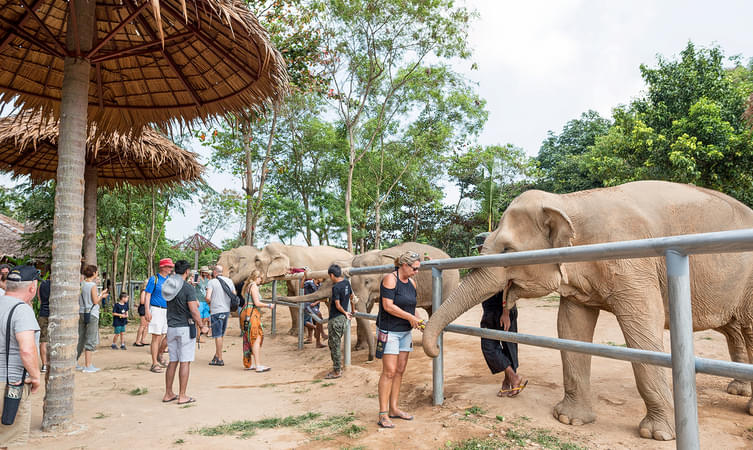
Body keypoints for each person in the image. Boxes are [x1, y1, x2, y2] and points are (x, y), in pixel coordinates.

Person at [375, 251, 422, 429]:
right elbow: (388, 306)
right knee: (389, 371)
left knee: (400, 370)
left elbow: (412, 307)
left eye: (418, 268)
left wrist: (419, 320)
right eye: (415, 268)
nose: (417, 272)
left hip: (405, 332)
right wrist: (410, 318)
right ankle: (383, 413)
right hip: (390, 331)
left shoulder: (412, 283)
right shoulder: (390, 279)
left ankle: (394, 408)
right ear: (404, 265)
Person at [0, 265, 41, 446]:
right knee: (12, 440)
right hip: (10, 385)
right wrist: (35, 376)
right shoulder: (22, 310)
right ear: (32, 287)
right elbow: (26, 349)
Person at [162, 260, 209, 405]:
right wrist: (202, 326)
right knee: (185, 362)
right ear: (187, 271)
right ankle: (182, 396)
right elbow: (194, 311)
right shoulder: (188, 288)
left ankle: (168, 393)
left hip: (171, 327)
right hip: (185, 327)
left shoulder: (169, 285)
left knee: (173, 361)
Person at [240, 269, 275, 372]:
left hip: (246, 312)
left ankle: (249, 363)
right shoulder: (254, 286)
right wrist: (269, 305)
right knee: (256, 337)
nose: (261, 280)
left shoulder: (248, 286)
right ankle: (258, 365)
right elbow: (257, 302)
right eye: (260, 278)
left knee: (248, 337)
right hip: (252, 314)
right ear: (257, 277)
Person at [76, 265, 109, 373]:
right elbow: (95, 301)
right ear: (94, 273)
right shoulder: (92, 285)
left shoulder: (82, 284)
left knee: (81, 338)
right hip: (92, 314)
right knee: (90, 338)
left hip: (81, 312)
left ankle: (74, 362)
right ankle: (88, 365)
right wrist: (102, 295)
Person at [144, 258, 174, 373]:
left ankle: (159, 355)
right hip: (156, 309)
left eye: (171, 267)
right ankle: (154, 362)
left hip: (167, 310)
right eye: (169, 267)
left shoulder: (169, 280)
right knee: (156, 337)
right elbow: (148, 295)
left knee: (164, 335)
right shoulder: (154, 279)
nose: (170, 269)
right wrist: (147, 310)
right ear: (162, 267)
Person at [324, 264, 353, 380]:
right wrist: (353, 310)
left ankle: (337, 370)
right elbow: (352, 296)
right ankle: (337, 368)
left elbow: (337, 304)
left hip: (336, 318)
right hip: (343, 320)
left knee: (334, 345)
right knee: (334, 344)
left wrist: (345, 312)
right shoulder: (346, 283)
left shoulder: (336, 287)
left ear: (331, 275)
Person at [205, 264, 235, 366]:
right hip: (226, 310)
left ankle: (220, 358)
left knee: (217, 335)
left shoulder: (211, 282)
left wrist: (210, 303)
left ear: (214, 272)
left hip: (216, 311)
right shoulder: (229, 281)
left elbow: (208, 297)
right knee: (221, 335)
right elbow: (234, 294)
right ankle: (217, 355)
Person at [303, 278, 326, 348]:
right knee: (307, 321)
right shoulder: (308, 283)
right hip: (308, 304)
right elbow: (301, 287)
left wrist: (316, 302)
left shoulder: (320, 285)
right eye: (322, 278)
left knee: (315, 319)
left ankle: (318, 338)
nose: (323, 280)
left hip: (314, 305)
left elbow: (322, 297)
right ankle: (319, 332)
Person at [193, 266, 211, 343]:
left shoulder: (207, 280)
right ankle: (198, 337)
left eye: (207, 272)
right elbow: (192, 287)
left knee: (205, 318)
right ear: (202, 272)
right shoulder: (196, 277)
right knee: (198, 318)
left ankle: (199, 333)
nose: (206, 273)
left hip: (205, 301)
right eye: (205, 272)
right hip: (198, 300)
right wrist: (194, 298)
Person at [37, 278, 51, 373]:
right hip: (54, 314)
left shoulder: (41, 284)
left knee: (43, 340)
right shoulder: (57, 284)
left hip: (43, 314)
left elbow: (39, 299)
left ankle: (44, 365)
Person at [133, 280, 149, 347]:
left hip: (147, 308)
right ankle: (137, 341)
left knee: (146, 326)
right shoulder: (144, 291)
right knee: (142, 325)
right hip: (143, 308)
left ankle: (143, 340)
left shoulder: (148, 291)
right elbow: (142, 301)